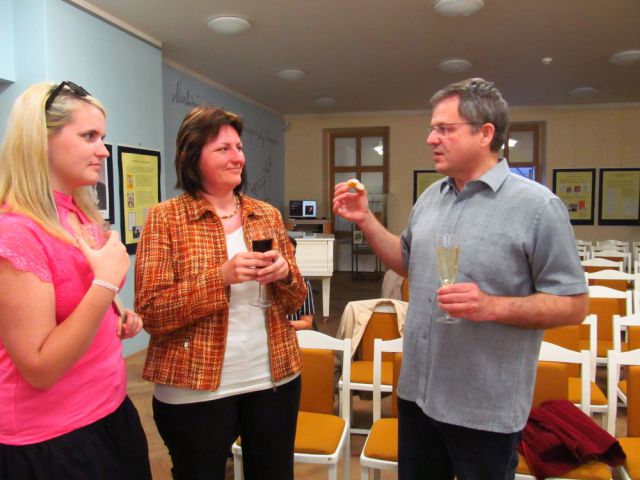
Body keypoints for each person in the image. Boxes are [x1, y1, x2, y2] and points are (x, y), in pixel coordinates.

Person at [333, 78, 589, 479]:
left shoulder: (538, 207)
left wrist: (492, 306)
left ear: (485, 133)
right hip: (418, 394)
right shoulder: (431, 197)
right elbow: (407, 262)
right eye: (432, 128)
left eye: (444, 129)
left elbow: (573, 305)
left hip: (483, 406)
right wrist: (365, 219)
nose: (431, 138)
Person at [135, 105, 308, 480]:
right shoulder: (165, 218)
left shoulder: (267, 214)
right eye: (223, 149)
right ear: (191, 156)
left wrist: (285, 276)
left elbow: (295, 301)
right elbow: (152, 313)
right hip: (194, 389)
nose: (237, 157)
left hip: (273, 380)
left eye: (239, 147)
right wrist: (220, 278)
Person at [0, 81, 150, 479]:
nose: (103, 150)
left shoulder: (79, 214)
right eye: (89, 136)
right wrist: (105, 286)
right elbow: (39, 368)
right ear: (40, 140)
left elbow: (79, 305)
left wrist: (116, 312)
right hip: (53, 437)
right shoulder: (16, 232)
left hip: (110, 408)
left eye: (102, 137)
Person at [286, 236, 315, 330]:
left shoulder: (303, 283)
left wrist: (280, 327)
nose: (291, 258)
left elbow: (307, 323)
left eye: (293, 254)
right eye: (286, 254)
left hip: (292, 335)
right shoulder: (262, 284)